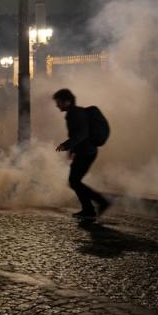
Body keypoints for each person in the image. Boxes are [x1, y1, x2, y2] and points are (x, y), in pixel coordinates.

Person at [53, 88, 110, 220]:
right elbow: (77, 134)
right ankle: (89, 209)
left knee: (74, 181)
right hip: (84, 152)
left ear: (66, 102)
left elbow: (82, 134)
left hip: (87, 152)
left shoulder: (75, 114)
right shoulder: (74, 113)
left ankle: (98, 204)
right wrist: (72, 150)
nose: (57, 105)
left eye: (58, 102)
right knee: (75, 181)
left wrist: (66, 145)